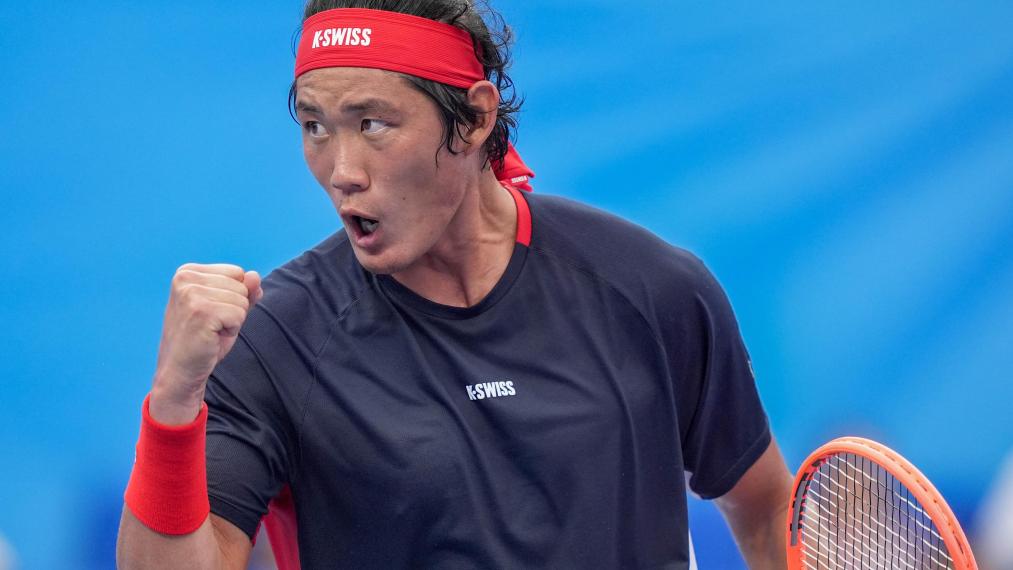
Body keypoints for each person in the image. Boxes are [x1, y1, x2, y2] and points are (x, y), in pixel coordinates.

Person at [116, 1, 793, 568]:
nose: (341, 170)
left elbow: (767, 511)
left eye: (372, 124)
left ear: (473, 118)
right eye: (315, 126)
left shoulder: (651, 288)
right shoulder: (276, 340)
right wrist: (173, 403)